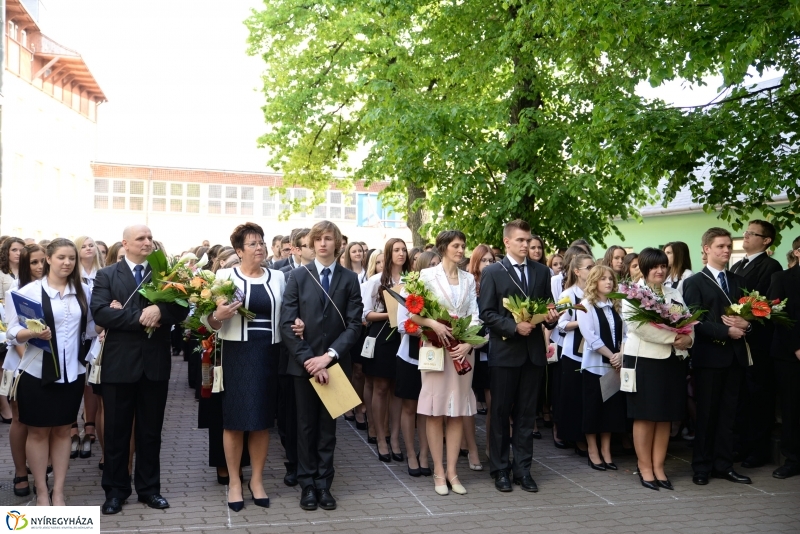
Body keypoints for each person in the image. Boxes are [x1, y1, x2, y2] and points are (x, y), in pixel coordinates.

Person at [91, 225, 190, 514]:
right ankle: (115, 491)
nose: (147, 242)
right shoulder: (107, 275)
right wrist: (141, 317)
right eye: (141, 239)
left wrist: (161, 311)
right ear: (126, 243)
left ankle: (149, 490)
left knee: (150, 433)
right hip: (119, 365)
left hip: (154, 365)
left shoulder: (165, 275)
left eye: (149, 238)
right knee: (116, 432)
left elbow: (182, 309)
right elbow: (100, 313)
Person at [6, 239, 98, 505]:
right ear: (48, 258)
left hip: (72, 374)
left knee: (62, 432)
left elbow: (89, 328)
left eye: (71, 258)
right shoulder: (28, 292)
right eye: (61, 257)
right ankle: (42, 491)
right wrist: (30, 332)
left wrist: (108, 319)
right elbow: (12, 332)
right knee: (37, 433)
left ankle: (58, 490)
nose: (67, 263)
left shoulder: (83, 290)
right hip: (36, 373)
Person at [280, 220, 363, 511]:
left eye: (329, 238)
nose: (323, 243)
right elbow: (287, 324)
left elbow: (354, 326)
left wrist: (328, 357)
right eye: (319, 239)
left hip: (336, 363)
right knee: (304, 427)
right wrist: (311, 361)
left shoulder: (350, 279)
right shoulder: (298, 277)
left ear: (337, 243)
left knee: (328, 428)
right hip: (303, 366)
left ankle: (324, 485)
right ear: (312, 244)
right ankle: (307, 486)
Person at [203, 223, 286, 512]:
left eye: (261, 242)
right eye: (252, 244)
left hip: (268, 353)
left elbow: (285, 315)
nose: (260, 247)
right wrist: (218, 315)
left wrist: (296, 324)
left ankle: (258, 480)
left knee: (262, 421)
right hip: (237, 354)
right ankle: (236, 481)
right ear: (239, 251)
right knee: (235, 420)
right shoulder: (225, 276)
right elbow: (207, 322)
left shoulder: (278, 277)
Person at [479, 220, 559, 493]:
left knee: (526, 416)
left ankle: (523, 469)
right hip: (505, 352)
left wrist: (551, 318)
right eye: (521, 240)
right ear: (507, 242)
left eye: (529, 240)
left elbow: (547, 306)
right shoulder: (493, 272)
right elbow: (487, 313)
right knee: (500, 414)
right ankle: (500, 468)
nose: (526, 245)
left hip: (533, 354)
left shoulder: (541, 271)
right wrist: (513, 327)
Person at [411, 230, 482, 496]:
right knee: (434, 411)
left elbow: (476, 315)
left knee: (457, 413)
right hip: (436, 350)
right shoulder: (426, 277)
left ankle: (453, 472)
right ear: (443, 248)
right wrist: (433, 324)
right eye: (456, 245)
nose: (461, 250)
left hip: (462, 352)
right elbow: (413, 313)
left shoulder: (467, 279)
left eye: (463, 245)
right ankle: (438, 472)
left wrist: (469, 343)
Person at [682, 228, 752, 486]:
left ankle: (724, 465)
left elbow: (748, 316)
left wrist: (746, 325)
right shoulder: (694, 282)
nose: (726, 250)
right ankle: (701, 466)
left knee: (728, 415)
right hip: (709, 358)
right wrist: (726, 330)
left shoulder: (737, 280)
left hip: (734, 357)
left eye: (728, 246)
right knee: (707, 414)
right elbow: (694, 321)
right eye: (720, 246)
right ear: (706, 249)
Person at [622, 248, 694, 490]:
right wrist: (673, 338)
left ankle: (659, 466)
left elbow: (688, 320)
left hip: (672, 361)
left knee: (665, 416)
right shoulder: (633, 293)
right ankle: (645, 467)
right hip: (644, 360)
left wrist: (689, 339)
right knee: (645, 415)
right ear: (643, 268)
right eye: (654, 266)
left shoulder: (674, 292)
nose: (660, 270)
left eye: (663, 266)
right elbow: (638, 326)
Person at [729, 220, 782, 469]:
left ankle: (757, 450)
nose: (746, 236)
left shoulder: (770, 266)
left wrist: (746, 320)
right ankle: (740, 444)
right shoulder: (738, 264)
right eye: (746, 232)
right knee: (741, 396)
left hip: (757, 341)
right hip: (737, 340)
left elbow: (768, 305)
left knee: (758, 395)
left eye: (752, 233)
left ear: (766, 240)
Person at [361, 239, 410, 462]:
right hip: (382, 335)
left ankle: (396, 439)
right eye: (397, 250)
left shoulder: (412, 281)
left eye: (404, 250)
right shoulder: (375, 281)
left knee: (398, 389)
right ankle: (380, 437)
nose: (401, 253)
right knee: (380, 386)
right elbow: (365, 314)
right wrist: (392, 315)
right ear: (389, 254)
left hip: (405, 336)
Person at [4, 243, 47, 497]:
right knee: (20, 417)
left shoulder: (56, 289)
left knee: (46, 419)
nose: (40, 266)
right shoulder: (15, 291)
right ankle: (21, 471)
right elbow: (13, 333)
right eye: (34, 262)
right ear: (24, 265)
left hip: (51, 363)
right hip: (22, 363)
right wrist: (27, 364)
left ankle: (42, 466)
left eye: (43, 261)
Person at [577, 265, 627, 471]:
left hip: (614, 365)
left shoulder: (617, 304)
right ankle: (593, 450)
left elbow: (625, 333)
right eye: (603, 279)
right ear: (594, 282)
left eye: (611, 279)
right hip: (595, 366)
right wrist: (611, 356)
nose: (608, 282)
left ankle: (606, 450)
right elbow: (591, 337)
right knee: (593, 409)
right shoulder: (585, 305)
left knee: (611, 411)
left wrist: (621, 354)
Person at [276, 228, 313, 487]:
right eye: (310, 244)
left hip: (321, 355)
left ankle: (315, 463)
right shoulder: (283, 276)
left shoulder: (333, 277)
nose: (317, 248)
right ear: (296, 249)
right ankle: (293, 463)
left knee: (318, 417)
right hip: (290, 356)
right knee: (290, 415)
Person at [767, 235, 800, 479]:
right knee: (792, 408)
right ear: (797, 252)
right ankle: (792, 459)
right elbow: (777, 315)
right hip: (790, 355)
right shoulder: (782, 278)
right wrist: (797, 347)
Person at [557, 254, 596, 456]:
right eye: (589, 267)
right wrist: (583, 323)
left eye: (594, 266)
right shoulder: (568, 294)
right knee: (574, 398)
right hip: (574, 353)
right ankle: (576, 438)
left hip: (595, 353)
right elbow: (561, 324)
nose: (592, 270)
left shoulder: (597, 293)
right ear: (577, 271)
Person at [74, 236, 104, 460]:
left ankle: (91, 424)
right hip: (76, 335)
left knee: (92, 381)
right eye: (82, 246)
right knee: (75, 380)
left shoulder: (103, 272)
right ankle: (72, 426)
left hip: (97, 335)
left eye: (90, 245)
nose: (88, 249)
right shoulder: (73, 275)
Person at [467, 245, 494, 458]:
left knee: (493, 400)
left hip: (492, 349)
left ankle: (490, 446)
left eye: (491, 260)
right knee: (468, 401)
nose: (488, 264)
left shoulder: (496, 282)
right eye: (484, 260)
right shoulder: (468, 284)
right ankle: (471, 448)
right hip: (469, 347)